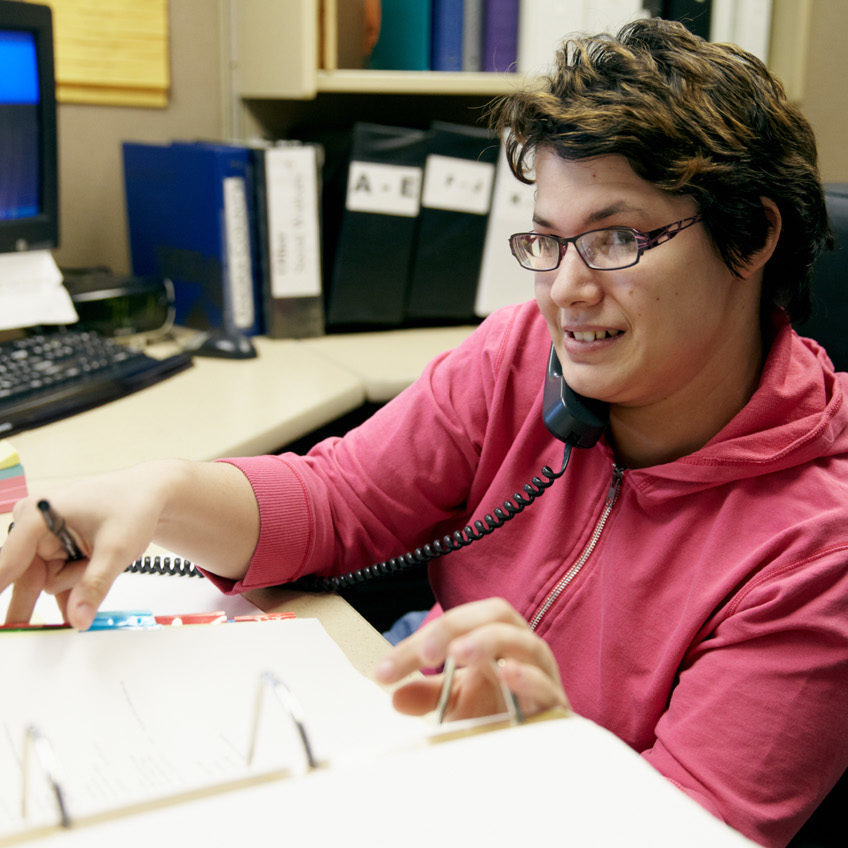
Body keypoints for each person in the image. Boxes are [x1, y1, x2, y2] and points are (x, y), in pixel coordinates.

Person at [1, 17, 846, 848]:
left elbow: (688, 828)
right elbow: (339, 503)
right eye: (547, 242)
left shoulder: (821, 554)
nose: (566, 291)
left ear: (755, 235)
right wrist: (163, 491)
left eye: (616, 237)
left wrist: (549, 759)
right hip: (416, 754)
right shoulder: (522, 356)